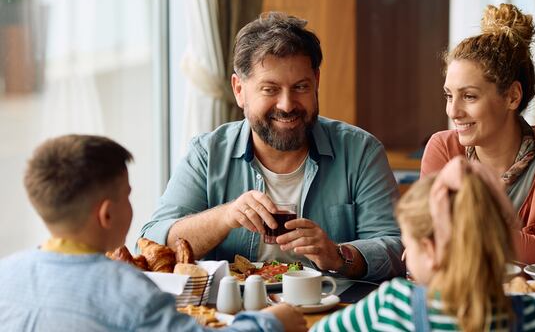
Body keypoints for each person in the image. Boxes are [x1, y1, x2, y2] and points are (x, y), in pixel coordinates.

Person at [142, 12, 404, 281]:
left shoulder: (360, 151)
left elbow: (396, 249)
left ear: (316, 82)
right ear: (239, 90)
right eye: (270, 89)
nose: (287, 105)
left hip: (335, 313)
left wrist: (339, 255)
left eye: (301, 87)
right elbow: (153, 243)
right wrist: (226, 217)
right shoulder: (207, 154)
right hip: (233, 315)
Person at [0, 134, 306, 331]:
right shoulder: (128, 291)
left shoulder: (6, 275)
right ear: (107, 214)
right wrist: (273, 323)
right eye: (128, 195)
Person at [312, 157, 535, 331]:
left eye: (409, 244)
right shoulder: (531, 315)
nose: (404, 255)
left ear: (431, 251)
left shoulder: (392, 306)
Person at [420, 3, 535, 264]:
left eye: (469, 96)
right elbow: (428, 244)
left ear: (512, 96)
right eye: (449, 95)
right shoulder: (442, 149)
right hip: (470, 301)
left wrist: (456, 228)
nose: (453, 111)